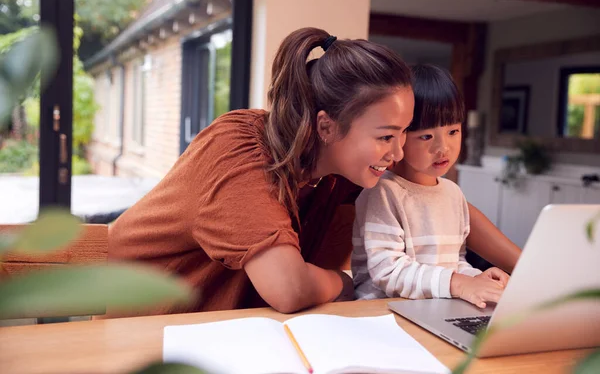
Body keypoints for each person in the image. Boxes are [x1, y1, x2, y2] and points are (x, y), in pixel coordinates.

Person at [109, 28, 520, 316]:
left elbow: (446, 202)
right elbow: (289, 289)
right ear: (326, 126)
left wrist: (528, 269)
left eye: (403, 135)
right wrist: (345, 283)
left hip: (236, 331)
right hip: (149, 331)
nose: (397, 154)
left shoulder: (339, 169)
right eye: (385, 136)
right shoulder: (240, 152)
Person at [352, 64, 511, 309]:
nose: (443, 148)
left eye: (453, 131)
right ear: (400, 135)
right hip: (382, 313)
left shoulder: (453, 194)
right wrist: (459, 283)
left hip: (432, 309)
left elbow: (453, 264)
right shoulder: (383, 193)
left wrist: (478, 280)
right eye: (426, 136)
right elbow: (388, 271)